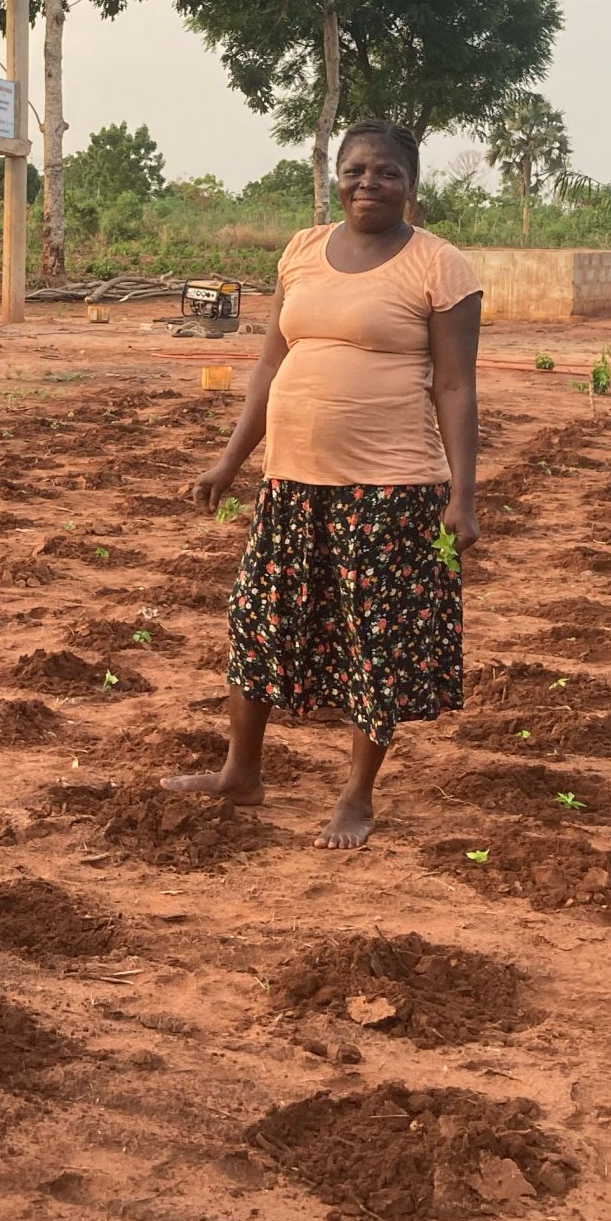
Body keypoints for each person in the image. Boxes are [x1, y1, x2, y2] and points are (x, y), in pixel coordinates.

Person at [168, 118, 483, 850]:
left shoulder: (441, 268)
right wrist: (230, 462)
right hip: (293, 483)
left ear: (411, 185)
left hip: (390, 487)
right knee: (257, 621)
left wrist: (462, 496)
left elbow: (457, 386)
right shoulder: (302, 251)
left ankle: (356, 795)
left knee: (375, 641)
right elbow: (271, 365)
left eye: (387, 173)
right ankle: (240, 773)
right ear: (336, 177)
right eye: (356, 170)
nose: (368, 183)